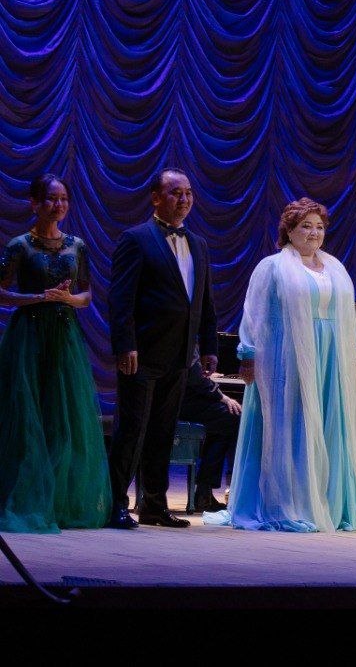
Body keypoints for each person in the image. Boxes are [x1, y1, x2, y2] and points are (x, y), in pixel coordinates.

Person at [219, 198, 356, 531]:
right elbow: (255, 314)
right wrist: (248, 354)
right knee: (292, 424)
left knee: (327, 424)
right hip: (288, 357)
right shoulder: (272, 267)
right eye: (306, 226)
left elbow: (347, 316)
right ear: (289, 230)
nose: (314, 233)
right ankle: (291, 502)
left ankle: (328, 502)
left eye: (320, 227)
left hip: (330, 358)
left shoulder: (335, 267)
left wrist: (351, 349)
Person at [108, 168, 218, 529]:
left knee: (163, 431)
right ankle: (115, 503)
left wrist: (209, 346)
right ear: (156, 198)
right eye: (175, 193)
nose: (184, 199)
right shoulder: (136, 239)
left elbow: (203, 301)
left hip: (180, 354)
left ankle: (154, 505)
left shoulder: (198, 243)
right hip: (142, 354)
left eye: (188, 193)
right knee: (132, 430)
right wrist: (125, 345)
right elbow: (121, 300)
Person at [0, 174, 111, 533]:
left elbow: (86, 296)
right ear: (34, 203)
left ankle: (59, 501)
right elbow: (1, 291)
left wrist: (66, 298)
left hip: (64, 337)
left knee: (63, 419)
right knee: (27, 416)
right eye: (50, 198)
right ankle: (25, 496)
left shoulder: (77, 245)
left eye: (63, 199)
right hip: (29, 337)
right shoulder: (20, 245)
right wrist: (36, 298)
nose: (58, 205)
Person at [179, 356, 242, 513]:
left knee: (223, 423)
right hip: (180, 400)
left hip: (182, 396)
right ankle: (205, 490)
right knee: (232, 417)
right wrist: (223, 397)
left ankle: (204, 491)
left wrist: (204, 375)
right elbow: (196, 379)